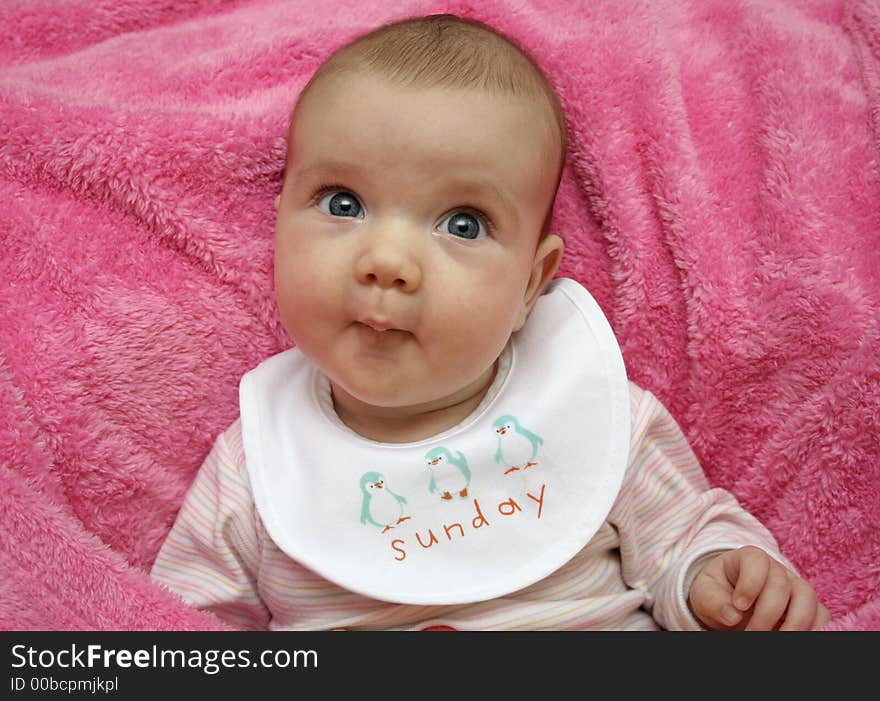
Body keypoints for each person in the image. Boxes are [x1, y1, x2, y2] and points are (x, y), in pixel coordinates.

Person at [150, 13, 830, 631]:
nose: (387, 261)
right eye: (343, 202)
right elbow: (179, 631)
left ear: (531, 284)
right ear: (278, 228)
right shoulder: (256, 469)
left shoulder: (591, 412)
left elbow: (684, 535)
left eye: (463, 223)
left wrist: (718, 582)